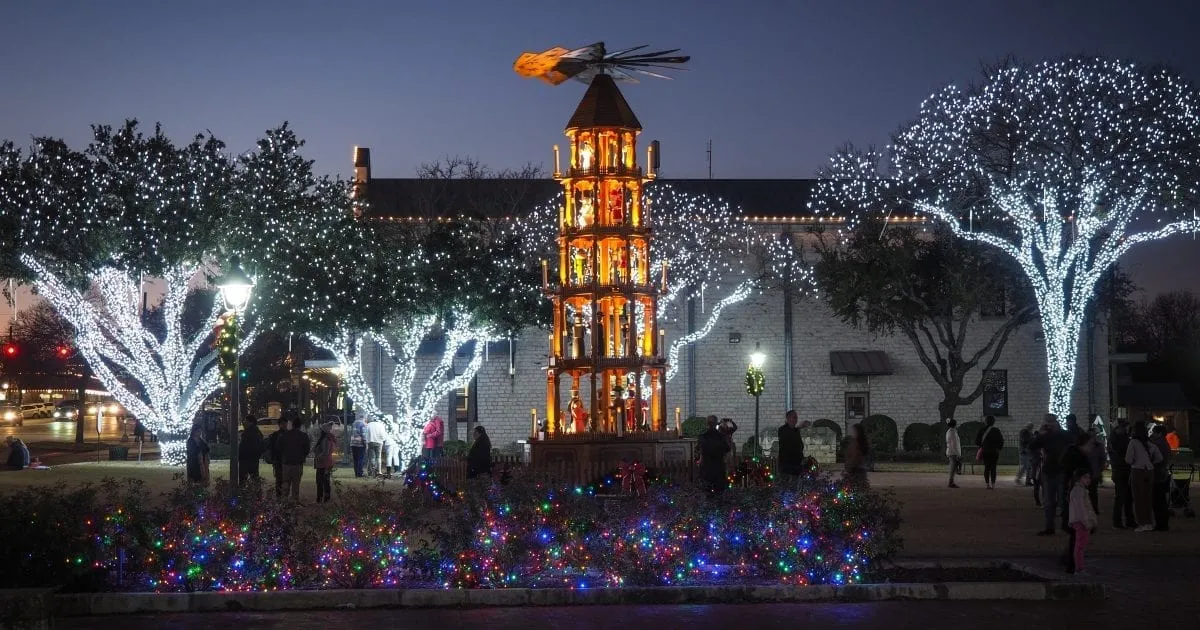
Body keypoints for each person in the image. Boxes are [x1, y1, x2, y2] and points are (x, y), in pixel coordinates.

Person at [1030, 415, 1069, 535]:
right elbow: (1032, 447)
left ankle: (1065, 524)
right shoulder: (1046, 436)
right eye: (1048, 423)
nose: (1050, 425)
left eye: (1051, 422)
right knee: (1049, 501)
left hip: (1061, 470)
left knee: (1063, 499)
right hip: (1049, 471)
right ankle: (1050, 526)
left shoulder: (1063, 435)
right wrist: (1040, 435)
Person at [1125, 420, 1163, 532]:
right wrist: (1151, 463)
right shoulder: (1150, 443)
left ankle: (1142, 523)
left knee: (1138, 499)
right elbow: (1159, 458)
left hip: (1137, 470)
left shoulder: (1133, 443)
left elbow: (1128, 459)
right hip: (1149, 471)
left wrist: (1135, 461)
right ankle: (1149, 522)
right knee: (1147, 498)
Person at [1067, 468, 1098, 575]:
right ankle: (1079, 568)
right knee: (1080, 546)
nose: (1088, 480)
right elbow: (1081, 509)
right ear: (1079, 478)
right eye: (1085, 477)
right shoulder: (1079, 491)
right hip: (1081, 521)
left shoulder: (1079, 490)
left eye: (1089, 477)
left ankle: (1079, 567)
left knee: (1080, 545)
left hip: (1080, 520)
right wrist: (1087, 522)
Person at [1107, 419, 1135, 528]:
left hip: (1122, 470)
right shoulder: (1116, 440)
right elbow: (1120, 453)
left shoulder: (1119, 438)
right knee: (1121, 497)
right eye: (1123, 427)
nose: (1125, 430)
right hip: (1120, 470)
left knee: (1127, 497)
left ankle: (1127, 520)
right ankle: (1118, 521)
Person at [278, 417, 311, 501]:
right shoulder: (303, 436)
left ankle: (284, 500)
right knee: (296, 485)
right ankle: (294, 501)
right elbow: (307, 449)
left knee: (285, 483)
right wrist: (302, 456)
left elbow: (278, 447)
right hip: (297, 463)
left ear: (292, 425)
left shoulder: (285, 435)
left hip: (286, 463)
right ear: (300, 426)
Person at [697, 416, 730, 493]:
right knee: (719, 493)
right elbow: (727, 449)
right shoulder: (721, 437)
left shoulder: (702, 437)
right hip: (719, 469)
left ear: (707, 424)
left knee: (706, 493)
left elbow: (699, 451)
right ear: (716, 424)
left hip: (706, 469)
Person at [1150, 424, 1172, 531]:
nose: (1152, 434)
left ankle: (1160, 523)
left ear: (1159, 434)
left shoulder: (1157, 444)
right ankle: (1163, 523)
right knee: (1162, 500)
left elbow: (1155, 459)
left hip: (1158, 474)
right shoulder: (1165, 444)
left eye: (1154, 432)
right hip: (1163, 474)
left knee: (1157, 501)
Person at [777, 410, 805, 488]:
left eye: (796, 418)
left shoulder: (796, 431)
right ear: (788, 418)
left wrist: (802, 458)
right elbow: (787, 442)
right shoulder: (782, 429)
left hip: (796, 463)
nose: (795, 420)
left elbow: (799, 445)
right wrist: (799, 427)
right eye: (793, 417)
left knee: (795, 486)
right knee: (783, 485)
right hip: (786, 463)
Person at [975, 415, 1004, 490]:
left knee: (987, 468)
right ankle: (993, 484)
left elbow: (977, 441)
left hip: (985, 451)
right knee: (993, 468)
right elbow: (1001, 441)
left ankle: (987, 484)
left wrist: (982, 445)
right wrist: (999, 448)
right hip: (994, 451)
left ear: (986, 422)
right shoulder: (996, 430)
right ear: (993, 422)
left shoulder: (982, 430)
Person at [238, 415, 265, 487]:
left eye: (245, 421)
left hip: (246, 459)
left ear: (250, 422)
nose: (244, 422)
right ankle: (255, 495)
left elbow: (245, 446)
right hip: (253, 460)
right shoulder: (257, 432)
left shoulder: (249, 433)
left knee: (244, 480)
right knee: (254, 479)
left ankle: (244, 494)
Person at [313, 420, 336, 503]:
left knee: (321, 481)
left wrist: (318, 456)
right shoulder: (329, 438)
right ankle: (325, 497)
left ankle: (321, 498)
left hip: (323, 463)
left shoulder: (326, 439)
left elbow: (325, 452)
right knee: (325, 481)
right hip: (326, 462)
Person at [265, 417, 288, 498]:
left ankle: (284, 495)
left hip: (286, 460)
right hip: (278, 460)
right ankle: (279, 495)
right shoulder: (275, 435)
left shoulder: (288, 434)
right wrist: (273, 459)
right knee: (279, 479)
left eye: (285, 424)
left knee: (285, 479)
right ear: (279, 425)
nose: (284, 425)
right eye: (283, 424)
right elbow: (271, 448)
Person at [1085, 429, 1105, 515]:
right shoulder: (1096, 446)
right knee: (1089, 492)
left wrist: (1100, 469)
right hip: (1087, 472)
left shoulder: (1098, 446)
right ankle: (1090, 508)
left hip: (1093, 471)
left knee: (1092, 492)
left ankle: (1093, 508)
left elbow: (1102, 459)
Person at [945, 419, 961, 488]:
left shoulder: (949, 431)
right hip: (953, 452)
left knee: (953, 467)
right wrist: (958, 454)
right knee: (953, 468)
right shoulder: (953, 432)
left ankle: (951, 481)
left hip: (950, 451)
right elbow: (955, 444)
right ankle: (951, 482)